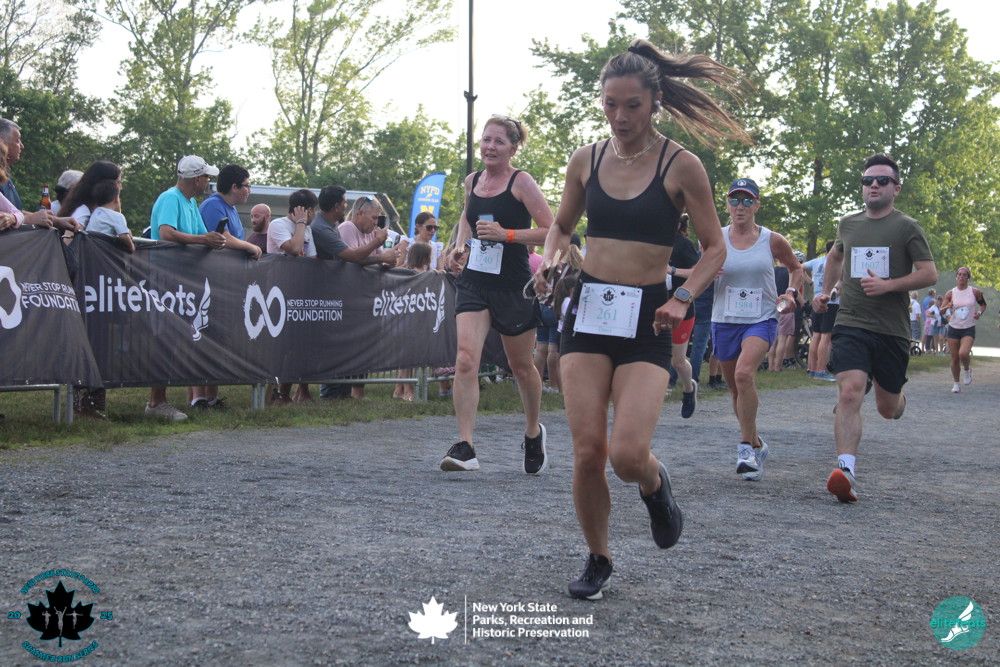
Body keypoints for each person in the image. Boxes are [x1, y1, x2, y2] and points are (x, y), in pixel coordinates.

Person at [536, 39, 743, 600]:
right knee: (588, 451)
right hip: (589, 312)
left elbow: (715, 248)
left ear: (655, 103)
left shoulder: (682, 165)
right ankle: (598, 558)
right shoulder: (586, 159)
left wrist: (684, 298)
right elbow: (561, 226)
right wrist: (552, 259)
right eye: (610, 105)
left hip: (648, 320)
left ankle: (655, 484)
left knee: (627, 455)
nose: (620, 116)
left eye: (632, 105)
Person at [812, 153, 936, 503]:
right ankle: (846, 472)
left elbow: (928, 273)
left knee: (886, 408)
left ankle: (896, 398)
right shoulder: (848, 224)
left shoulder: (906, 227)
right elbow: (836, 256)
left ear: (896, 188)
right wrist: (825, 292)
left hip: (891, 329)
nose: (874, 185)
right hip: (851, 322)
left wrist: (888, 285)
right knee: (849, 392)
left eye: (882, 180)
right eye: (868, 180)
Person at [439, 114, 554, 475]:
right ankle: (465, 446)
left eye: (499, 141)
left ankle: (533, 431)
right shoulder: (473, 180)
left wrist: (508, 235)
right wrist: (459, 246)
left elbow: (552, 230)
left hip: (513, 286)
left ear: (513, 148)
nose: (489, 147)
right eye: (486, 139)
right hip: (474, 282)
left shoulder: (522, 182)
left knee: (521, 367)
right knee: (465, 359)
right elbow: (466, 216)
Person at [147, 155, 261, 420]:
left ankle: (161, 401)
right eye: (207, 177)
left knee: (177, 339)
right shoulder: (171, 198)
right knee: (165, 338)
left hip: (182, 281)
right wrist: (204, 240)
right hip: (166, 278)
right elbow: (166, 233)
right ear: (196, 178)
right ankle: (155, 403)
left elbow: (205, 237)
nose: (209, 182)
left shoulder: (188, 202)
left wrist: (214, 240)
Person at [713, 178, 803, 482]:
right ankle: (756, 444)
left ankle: (745, 450)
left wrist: (790, 292)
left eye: (747, 200)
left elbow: (796, 268)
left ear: (757, 205)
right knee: (735, 389)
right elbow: (700, 270)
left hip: (761, 318)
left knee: (743, 375)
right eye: (734, 200)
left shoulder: (772, 240)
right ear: (727, 205)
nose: (740, 207)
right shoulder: (715, 238)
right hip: (724, 319)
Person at [337, 195, 406, 399]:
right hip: (346, 297)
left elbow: (379, 260)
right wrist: (379, 249)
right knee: (348, 346)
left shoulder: (372, 233)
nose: (376, 223)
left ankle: (358, 390)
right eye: (374, 218)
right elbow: (352, 257)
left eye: (378, 218)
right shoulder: (348, 228)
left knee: (364, 344)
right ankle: (340, 389)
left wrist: (390, 260)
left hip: (365, 297)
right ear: (360, 213)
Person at [268, 188, 321, 403]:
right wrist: (300, 223)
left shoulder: (307, 230)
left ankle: (286, 392)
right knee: (278, 346)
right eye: (313, 210)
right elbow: (295, 248)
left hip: (298, 292)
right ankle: (271, 393)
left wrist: (302, 226)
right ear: (306, 210)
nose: (315, 215)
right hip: (277, 292)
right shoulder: (278, 225)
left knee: (295, 344)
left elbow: (312, 259)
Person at [665, 213, 700, 417]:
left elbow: (699, 271)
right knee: (654, 354)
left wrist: (672, 270)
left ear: (678, 225)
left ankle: (689, 388)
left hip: (682, 307)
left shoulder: (684, 244)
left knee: (677, 361)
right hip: (655, 305)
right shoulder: (652, 241)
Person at [940, 267, 986, 393]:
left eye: (964, 275)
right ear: (956, 277)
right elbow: (941, 311)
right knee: (954, 357)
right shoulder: (950, 293)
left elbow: (983, 305)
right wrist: (947, 307)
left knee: (963, 353)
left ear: (968, 278)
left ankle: (967, 370)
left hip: (968, 327)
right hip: (954, 327)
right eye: (959, 274)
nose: (961, 276)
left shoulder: (974, 292)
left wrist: (979, 313)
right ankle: (956, 383)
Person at [803, 241, 839, 381]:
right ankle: (821, 370)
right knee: (826, 337)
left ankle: (812, 368)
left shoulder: (816, 261)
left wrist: (810, 282)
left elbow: (799, 267)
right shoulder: (837, 262)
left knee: (816, 336)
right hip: (831, 302)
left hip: (816, 301)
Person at [198, 164, 251, 239]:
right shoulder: (212, 205)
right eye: (247, 186)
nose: (249, 191)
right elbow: (225, 239)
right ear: (234, 187)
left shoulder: (231, 207)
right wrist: (253, 246)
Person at [84, 179, 135, 253]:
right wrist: (131, 247)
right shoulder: (117, 216)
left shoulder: (96, 212)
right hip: (105, 251)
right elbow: (123, 236)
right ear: (116, 198)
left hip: (90, 249)